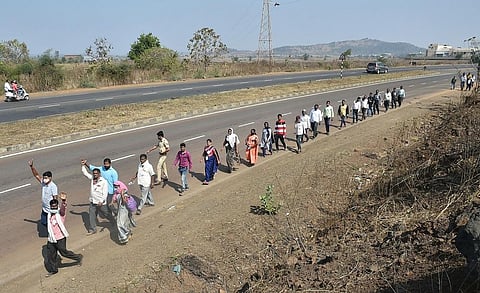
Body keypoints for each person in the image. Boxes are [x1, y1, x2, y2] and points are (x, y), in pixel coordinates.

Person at [45, 193, 83, 277]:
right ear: (50, 206)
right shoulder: (49, 215)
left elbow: (63, 208)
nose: (54, 207)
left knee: (64, 252)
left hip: (60, 237)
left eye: (55, 206)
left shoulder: (60, 214)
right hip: (51, 238)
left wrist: (63, 201)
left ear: (57, 206)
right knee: (51, 255)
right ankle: (54, 270)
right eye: (52, 206)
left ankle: (78, 257)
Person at [81, 160, 115, 235]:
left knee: (106, 214)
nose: (95, 175)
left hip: (101, 203)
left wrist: (102, 201)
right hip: (93, 202)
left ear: (99, 174)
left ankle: (113, 221)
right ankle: (93, 229)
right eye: (94, 173)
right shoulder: (92, 178)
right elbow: (85, 174)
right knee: (92, 215)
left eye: (96, 173)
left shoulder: (103, 181)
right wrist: (83, 165)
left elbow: (105, 193)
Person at [28, 159, 58, 227]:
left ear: (50, 178)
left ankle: (53, 233)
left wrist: (54, 209)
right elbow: (36, 175)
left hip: (51, 209)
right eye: (44, 178)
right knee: (44, 222)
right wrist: (32, 167)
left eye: (46, 178)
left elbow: (55, 198)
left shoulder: (53, 186)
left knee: (52, 224)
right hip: (45, 208)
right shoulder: (43, 183)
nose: (44, 179)